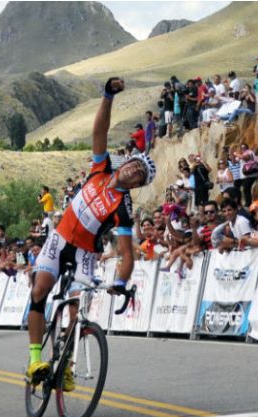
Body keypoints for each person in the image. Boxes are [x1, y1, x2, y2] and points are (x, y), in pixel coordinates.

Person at [25, 77, 156, 390]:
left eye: (139, 176)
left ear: (137, 185)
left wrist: (121, 283)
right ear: (127, 163)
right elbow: (100, 132)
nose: (133, 172)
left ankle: (65, 365)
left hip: (84, 253)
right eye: (134, 166)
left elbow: (127, 253)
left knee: (76, 307)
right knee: (41, 290)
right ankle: (34, 362)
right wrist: (108, 96)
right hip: (59, 239)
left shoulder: (122, 207)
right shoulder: (101, 168)